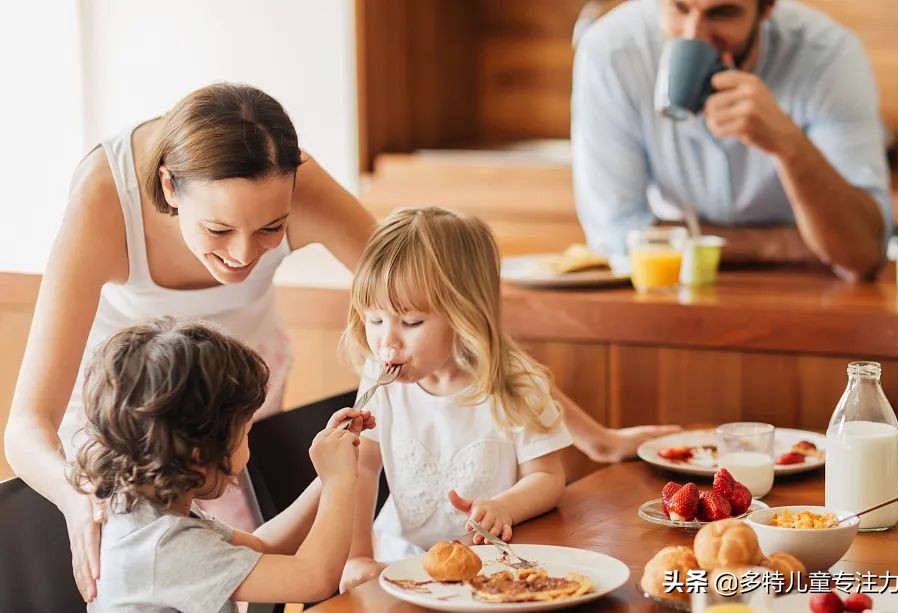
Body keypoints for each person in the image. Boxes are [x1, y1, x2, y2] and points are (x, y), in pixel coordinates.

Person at [4, 82, 673, 603]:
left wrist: (595, 436)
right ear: (170, 189)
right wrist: (75, 497)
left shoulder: (295, 178)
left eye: (271, 229)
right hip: (135, 411)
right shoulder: (104, 196)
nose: (243, 257)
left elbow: (452, 311)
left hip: (240, 391)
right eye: (218, 231)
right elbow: (25, 424)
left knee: (229, 565)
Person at [337, 207, 575, 591]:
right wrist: (358, 554)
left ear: (465, 313)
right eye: (375, 319)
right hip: (404, 560)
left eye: (411, 322)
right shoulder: (380, 380)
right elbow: (363, 469)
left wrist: (505, 507)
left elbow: (548, 477)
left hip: (495, 563)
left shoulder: (514, 382)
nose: (387, 341)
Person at [572, 0, 893, 280]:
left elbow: (863, 253)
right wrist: (787, 244)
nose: (693, 34)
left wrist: (789, 146)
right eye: (679, 7)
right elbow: (616, 237)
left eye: (722, 12)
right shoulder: (611, 51)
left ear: (767, 8)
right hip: (677, 288)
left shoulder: (829, 56)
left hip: (806, 295)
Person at [70, 318, 369, 611]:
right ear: (202, 455)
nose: (248, 443)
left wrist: (326, 478)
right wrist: (339, 481)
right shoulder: (165, 546)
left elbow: (260, 546)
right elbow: (313, 578)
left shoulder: (149, 508)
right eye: (246, 433)